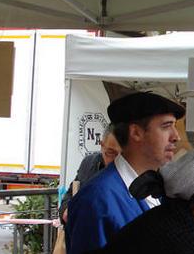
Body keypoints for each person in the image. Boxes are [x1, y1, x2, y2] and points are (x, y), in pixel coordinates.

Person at [66, 92, 184, 254]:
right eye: (166, 126)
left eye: (174, 126)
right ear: (136, 133)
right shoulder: (96, 200)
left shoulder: (162, 191)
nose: (176, 136)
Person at [59, 129, 121, 224]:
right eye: (110, 153)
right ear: (102, 145)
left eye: (122, 155)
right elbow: (70, 194)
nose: (115, 160)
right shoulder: (88, 163)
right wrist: (66, 211)